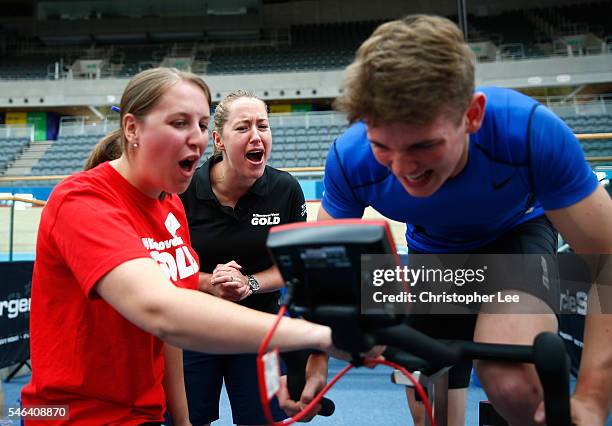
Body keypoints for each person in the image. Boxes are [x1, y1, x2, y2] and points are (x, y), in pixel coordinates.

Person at [285, 15, 612, 426]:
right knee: (425, 395)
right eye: (383, 146)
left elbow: (607, 258)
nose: (403, 169)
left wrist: (593, 397)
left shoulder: (529, 133)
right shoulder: (351, 158)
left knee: (511, 382)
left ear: (472, 115)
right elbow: (324, 276)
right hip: (434, 251)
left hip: (514, 237)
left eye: (424, 145)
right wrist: (316, 363)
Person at [20, 68, 342, 426]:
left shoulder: (169, 203)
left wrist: (182, 420)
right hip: (77, 416)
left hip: (146, 411)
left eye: (202, 125)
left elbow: (169, 332)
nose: (197, 139)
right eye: (179, 123)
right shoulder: (81, 200)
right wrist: (320, 335)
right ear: (132, 129)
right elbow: (161, 309)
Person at [179, 90, 307, 425]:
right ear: (219, 140)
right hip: (193, 331)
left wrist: (248, 283)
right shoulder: (183, 190)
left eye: (263, 126)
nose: (256, 136)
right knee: (187, 419)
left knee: (263, 420)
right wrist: (212, 283)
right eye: (243, 128)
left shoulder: (286, 190)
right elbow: (163, 264)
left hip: (258, 331)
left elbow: (292, 267)